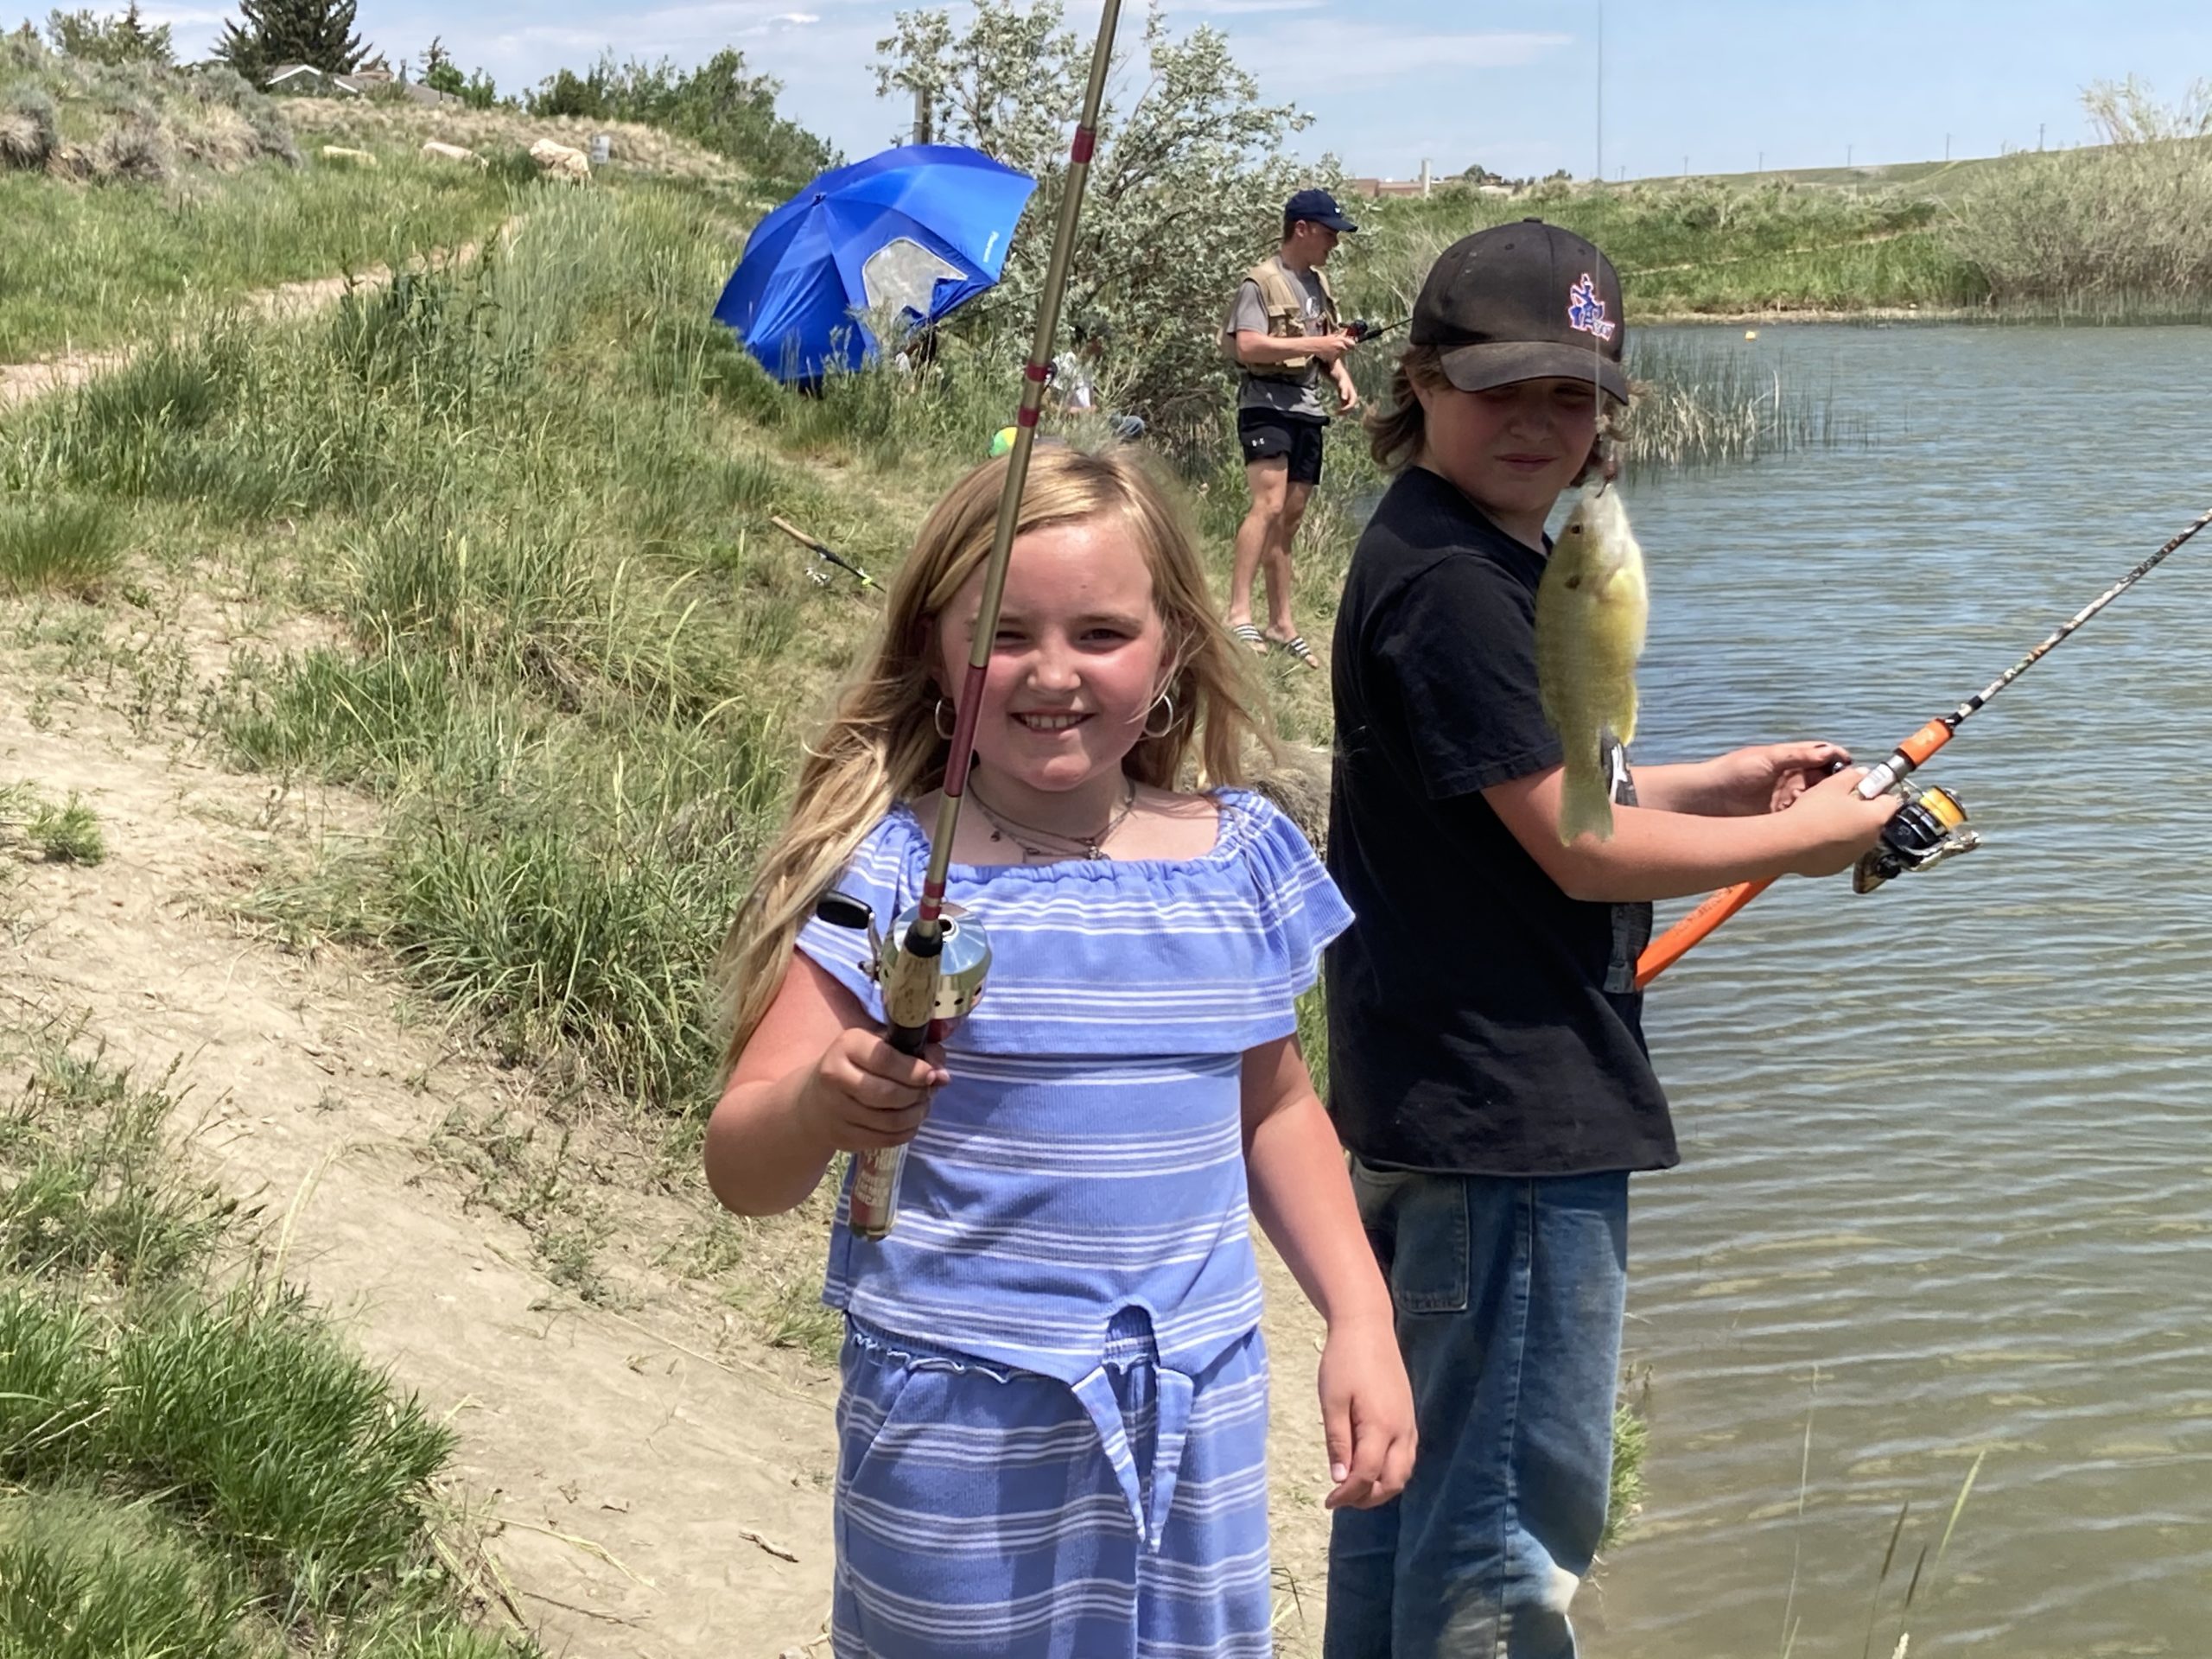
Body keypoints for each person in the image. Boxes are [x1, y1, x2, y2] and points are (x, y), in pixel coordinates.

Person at [705, 446, 1416, 1658]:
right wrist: (823, 1109)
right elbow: (742, 1167)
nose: (1051, 673)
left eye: (1099, 633)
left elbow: (1274, 1111)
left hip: (1196, 1413)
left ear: (1176, 646)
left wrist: (1360, 1316)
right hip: (955, 1427)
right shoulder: (889, 867)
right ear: (935, 650)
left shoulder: (1237, 856)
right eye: (1003, 634)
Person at [1319, 220, 1901, 1659]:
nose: (1539, 422)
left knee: (1410, 1493)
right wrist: (1806, 841)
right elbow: (1582, 852)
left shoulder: (1453, 548)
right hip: (1507, 1113)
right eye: (1503, 387)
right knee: (1511, 1527)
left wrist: (1720, 782)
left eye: (1572, 394)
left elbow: (1531, 790)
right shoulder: (1458, 584)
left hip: (1436, 1089)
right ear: (1420, 381)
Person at [1222, 188, 1363, 671]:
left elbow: (1323, 349)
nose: (1334, 243)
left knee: (1291, 517)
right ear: (1301, 229)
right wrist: (1319, 340)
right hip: (1264, 404)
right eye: (1328, 233)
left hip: (1307, 406)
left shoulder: (1318, 285)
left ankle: (1282, 622)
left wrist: (1340, 376)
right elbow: (1248, 346)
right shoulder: (1259, 282)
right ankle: (1238, 612)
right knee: (1269, 504)